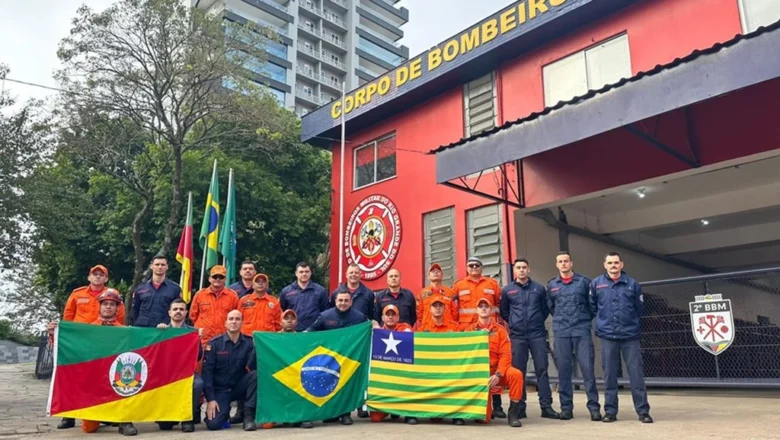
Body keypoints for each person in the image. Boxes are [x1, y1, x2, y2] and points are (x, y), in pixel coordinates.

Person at [51, 264, 126, 430]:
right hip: (81, 343)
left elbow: (120, 317)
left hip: (106, 339)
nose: (98, 277)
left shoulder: (112, 295)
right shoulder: (77, 294)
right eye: (95, 274)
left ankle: (110, 414)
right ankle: (68, 415)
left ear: (106, 278)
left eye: (102, 275)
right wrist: (67, 336)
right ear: (89, 277)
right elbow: (68, 317)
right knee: (74, 377)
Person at [589, 252, 652, 424]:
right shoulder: (596, 284)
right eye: (610, 263)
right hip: (607, 335)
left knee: (636, 374)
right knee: (609, 374)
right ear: (605, 265)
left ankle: (643, 411)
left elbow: (639, 309)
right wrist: (604, 322)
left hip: (630, 335)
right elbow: (593, 307)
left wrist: (629, 323)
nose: (613, 265)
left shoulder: (632, 284)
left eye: (616, 262)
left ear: (622, 265)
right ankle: (610, 411)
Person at [499, 258, 560, 420]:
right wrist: (514, 322)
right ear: (515, 270)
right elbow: (504, 311)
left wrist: (536, 321)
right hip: (517, 336)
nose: (521, 270)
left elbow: (544, 309)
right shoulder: (508, 290)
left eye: (524, 267)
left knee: (542, 369)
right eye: (518, 267)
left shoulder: (539, 289)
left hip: (537, 334)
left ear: (529, 270)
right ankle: (520, 407)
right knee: (519, 372)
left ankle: (546, 406)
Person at [547, 251, 601, 421]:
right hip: (562, 331)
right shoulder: (552, 285)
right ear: (557, 264)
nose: (563, 264)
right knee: (564, 372)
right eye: (560, 261)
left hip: (581, 330)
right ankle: (566, 409)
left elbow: (592, 306)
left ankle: (594, 408)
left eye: (566, 261)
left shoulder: (584, 282)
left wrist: (582, 319)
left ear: (571, 263)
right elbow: (551, 307)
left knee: (587, 371)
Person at [305, 290, 368, 426]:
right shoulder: (325, 316)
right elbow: (311, 331)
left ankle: (345, 414)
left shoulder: (360, 317)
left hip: (350, 357)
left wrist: (374, 324)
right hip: (329, 358)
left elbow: (368, 332)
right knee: (330, 384)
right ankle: (331, 413)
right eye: (340, 300)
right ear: (335, 301)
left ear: (351, 302)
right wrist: (297, 336)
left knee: (346, 385)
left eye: (346, 300)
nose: (343, 303)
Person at [451, 257, 504, 418]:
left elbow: (500, 306)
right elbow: (453, 310)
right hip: (469, 333)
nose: (474, 267)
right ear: (466, 268)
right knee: (471, 368)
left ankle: (497, 405)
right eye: (470, 265)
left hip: (489, 332)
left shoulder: (492, 284)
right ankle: (473, 403)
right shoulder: (458, 286)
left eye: (477, 265)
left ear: (482, 267)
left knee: (492, 366)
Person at [83, 290, 138, 436]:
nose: (108, 307)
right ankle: (103, 416)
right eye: (105, 304)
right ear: (100, 307)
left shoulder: (125, 331)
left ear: (117, 308)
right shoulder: (88, 329)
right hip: (95, 377)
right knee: (89, 428)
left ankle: (125, 421)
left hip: (116, 376)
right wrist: (53, 334)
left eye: (112, 304)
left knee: (130, 382)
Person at [464, 298, 524, 428]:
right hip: (479, 373)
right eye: (481, 306)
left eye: (486, 306)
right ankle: (484, 410)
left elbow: (506, 354)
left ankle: (513, 413)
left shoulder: (500, 330)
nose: (484, 308)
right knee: (483, 420)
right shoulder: (469, 331)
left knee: (516, 374)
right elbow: (465, 354)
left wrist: (498, 374)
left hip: (498, 371)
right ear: (476, 310)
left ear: (491, 310)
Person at [330, 264, 375, 418]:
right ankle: (338, 407)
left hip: (359, 341)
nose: (353, 275)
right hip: (339, 340)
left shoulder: (368, 293)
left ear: (360, 274)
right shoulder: (336, 292)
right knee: (339, 372)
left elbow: (371, 315)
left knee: (359, 372)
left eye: (356, 272)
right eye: (351, 273)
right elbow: (331, 313)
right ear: (346, 274)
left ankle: (361, 404)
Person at [202, 310, 258, 431]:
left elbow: (253, 367)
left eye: (237, 319)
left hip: (238, 387)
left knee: (255, 376)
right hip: (220, 390)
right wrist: (211, 399)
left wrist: (256, 348)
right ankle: (224, 413)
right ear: (225, 323)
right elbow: (207, 374)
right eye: (231, 319)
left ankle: (248, 417)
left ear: (242, 323)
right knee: (213, 424)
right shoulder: (214, 344)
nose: (234, 322)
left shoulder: (249, 343)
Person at [156, 298, 205, 433]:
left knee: (198, 383)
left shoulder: (192, 332)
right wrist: (157, 335)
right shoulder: (162, 331)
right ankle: (169, 413)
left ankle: (187, 417)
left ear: (186, 312)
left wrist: (198, 340)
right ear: (169, 313)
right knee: (165, 427)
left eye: (181, 309)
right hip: (166, 375)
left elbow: (199, 356)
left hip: (187, 374)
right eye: (175, 309)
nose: (178, 312)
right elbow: (154, 355)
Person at [417, 298, 463, 425]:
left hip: (450, 369)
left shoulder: (455, 327)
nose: (437, 308)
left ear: (445, 308)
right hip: (430, 370)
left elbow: (464, 346)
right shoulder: (422, 329)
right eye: (434, 306)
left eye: (440, 306)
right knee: (435, 419)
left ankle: (457, 414)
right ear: (429, 309)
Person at [370, 304, 416, 425]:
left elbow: (408, 337)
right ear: (382, 317)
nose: (390, 317)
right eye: (387, 315)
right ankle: (391, 408)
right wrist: (377, 330)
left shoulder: (404, 327)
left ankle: (406, 411)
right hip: (384, 379)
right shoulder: (376, 331)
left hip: (403, 377)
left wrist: (379, 330)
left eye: (393, 315)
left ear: (398, 317)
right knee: (375, 418)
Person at [189, 265, 239, 346]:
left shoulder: (233, 295)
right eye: (215, 277)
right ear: (209, 279)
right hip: (203, 339)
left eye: (221, 277)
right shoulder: (200, 294)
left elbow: (237, 317)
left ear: (225, 279)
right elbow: (193, 316)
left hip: (224, 339)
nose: (217, 279)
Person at [132, 256, 182, 327]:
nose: (160, 267)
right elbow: (135, 310)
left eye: (163, 264)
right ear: (151, 266)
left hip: (165, 328)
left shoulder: (175, 289)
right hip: (143, 329)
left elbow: (178, 309)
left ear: (167, 267)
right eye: (157, 264)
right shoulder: (140, 288)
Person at [279, 262, 329, 332]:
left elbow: (325, 313)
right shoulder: (286, 291)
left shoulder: (320, 291)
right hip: (293, 332)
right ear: (296, 273)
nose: (304, 274)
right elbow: (282, 311)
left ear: (310, 273)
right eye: (301, 272)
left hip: (314, 332)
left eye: (306, 271)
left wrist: (313, 327)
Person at [415, 263, 458, 330]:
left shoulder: (450, 293)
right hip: (428, 330)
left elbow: (455, 314)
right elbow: (419, 314)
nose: (436, 272)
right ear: (428, 276)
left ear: (442, 275)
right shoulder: (421, 294)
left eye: (438, 271)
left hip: (447, 330)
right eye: (433, 271)